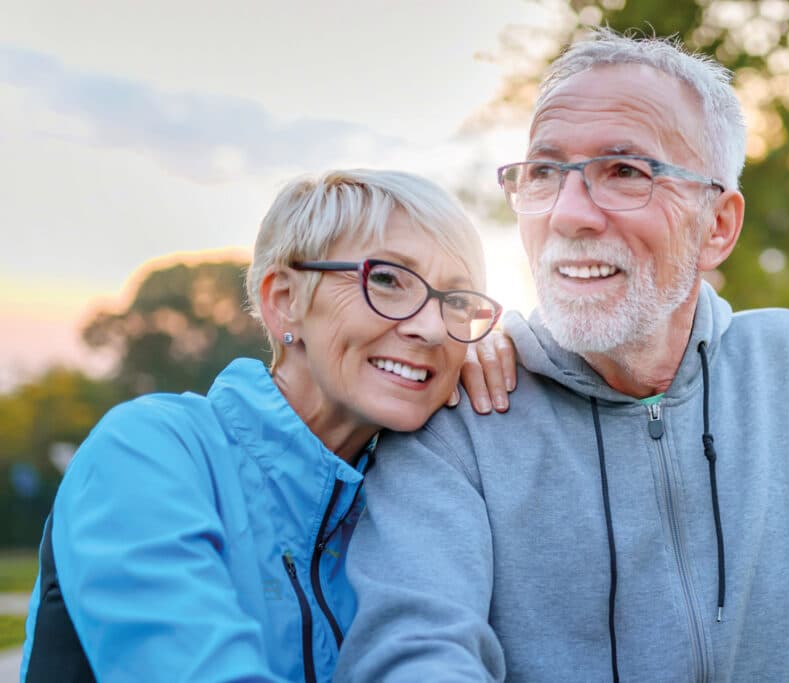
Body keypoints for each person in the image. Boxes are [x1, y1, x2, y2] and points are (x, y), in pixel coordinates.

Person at [335, 29, 789, 682]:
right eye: (546, 171)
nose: (570, 213)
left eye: (626, 171)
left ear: (717, 226)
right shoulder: (458, 415)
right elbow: (413, 651)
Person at [20, 169, 515, 683]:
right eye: (387, 280)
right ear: (284, 301)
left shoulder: (416, 501)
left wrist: (510, 368)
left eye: (456, 302)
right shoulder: (147, 452)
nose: (432, 329)